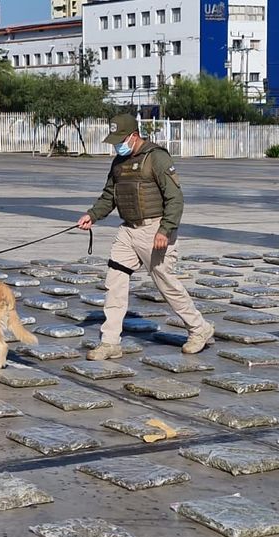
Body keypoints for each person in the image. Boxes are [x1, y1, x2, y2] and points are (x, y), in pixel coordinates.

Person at [76, 114, 214, 361]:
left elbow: (175, 198)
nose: (118, 145)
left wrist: (166, 229)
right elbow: (110, 195)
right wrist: (92, 215)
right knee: (114, 281)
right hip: (128, 231)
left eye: (121, 139)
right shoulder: (119, 162)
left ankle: (199, 329)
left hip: (154, 230)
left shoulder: (157, 158)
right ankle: (110, 342)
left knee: (166, 284)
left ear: (134, 135)